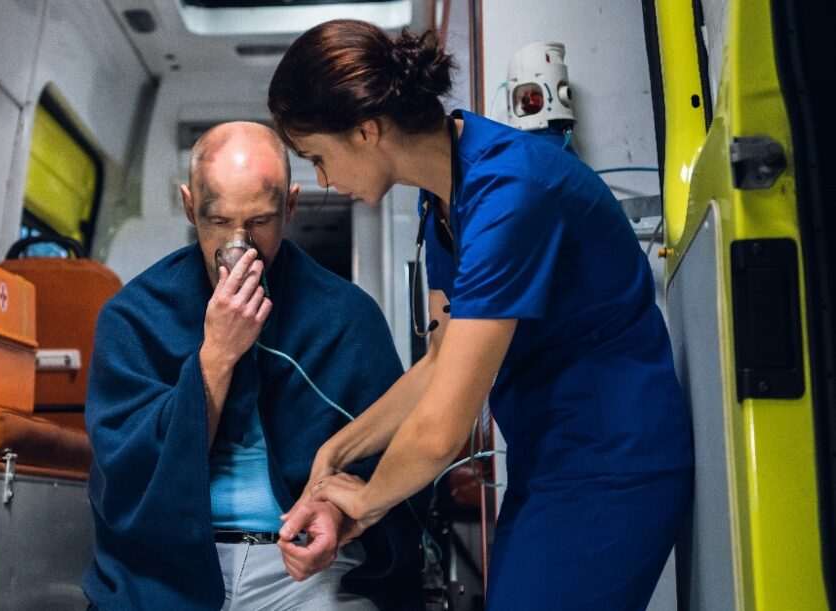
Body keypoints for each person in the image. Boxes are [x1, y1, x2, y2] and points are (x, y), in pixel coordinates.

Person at [268, 20, 694, 611]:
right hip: (551, 465)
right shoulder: (444, 194)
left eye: (316, 157)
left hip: (612, 466)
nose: (322, 179)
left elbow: (443, 430)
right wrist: (332, 455)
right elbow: (441, 359)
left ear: (365, 131)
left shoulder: (509, 192)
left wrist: (364, 503)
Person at [82, 121, 423, 610]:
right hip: (167, 561)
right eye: (217, 222)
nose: (238, 247)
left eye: (260, 222)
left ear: (290, 205)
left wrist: (335, 514)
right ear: (188, 205)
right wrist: (216, 357)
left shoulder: (345, 316)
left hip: (303, 567)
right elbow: (125, 471)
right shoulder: (133, 317)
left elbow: (393, 455)